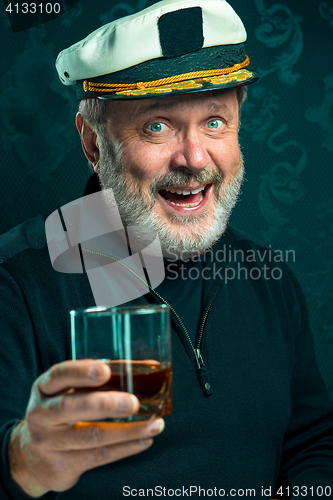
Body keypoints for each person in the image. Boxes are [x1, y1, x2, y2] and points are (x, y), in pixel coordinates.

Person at [1, 0, 332, 498]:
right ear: (93, 142)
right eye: (157, 125)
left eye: (215, 121)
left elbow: (311, 443)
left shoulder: (269, 277)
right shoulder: (15, 283)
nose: (195, 158)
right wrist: (22, 461)